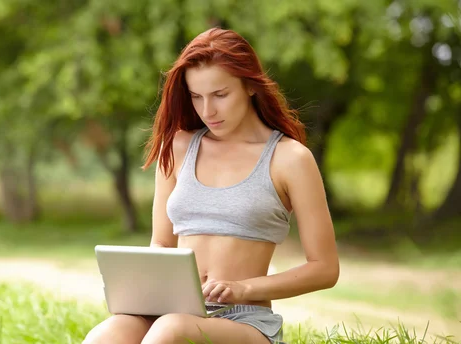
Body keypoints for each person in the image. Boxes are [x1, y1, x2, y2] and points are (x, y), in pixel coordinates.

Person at [82, 27, 339, 344]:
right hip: (173, 309)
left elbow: (325, 268)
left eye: (220, 95)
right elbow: (161, 244)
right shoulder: (177, 146)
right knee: (105, 336)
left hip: (245, 322)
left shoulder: (290, 159)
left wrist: (244, 288)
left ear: (249, 86)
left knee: (169, 332)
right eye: (196, 97)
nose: (207, 111)